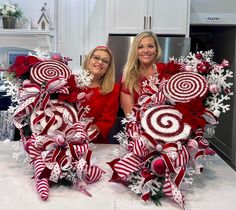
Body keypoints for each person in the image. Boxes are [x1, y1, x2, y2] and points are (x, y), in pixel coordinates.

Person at [80, 46, 120, 143]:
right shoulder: (73, 83)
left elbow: (105, 122)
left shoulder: (113, 90)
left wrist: (82, 133)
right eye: (96, 58)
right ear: (88, 59)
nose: (100, 62)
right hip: (67, 142)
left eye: (105, 61)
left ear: (108, 67)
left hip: (96, 144)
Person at [120, 31, 162, 116]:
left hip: (166, 125)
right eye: (140, 47)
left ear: (157, 50)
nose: (146, 50)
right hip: (138, 127)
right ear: (135, 51)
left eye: (150, 46)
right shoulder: (128, 77)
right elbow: (130, 115)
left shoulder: (166, 73)